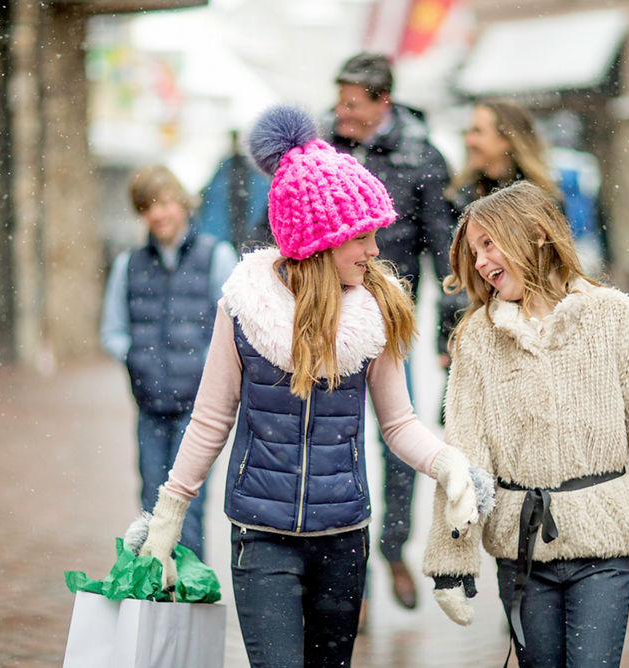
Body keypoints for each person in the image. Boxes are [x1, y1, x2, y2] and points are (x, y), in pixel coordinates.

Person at [135, 105, 479, 668]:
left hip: (344, 538)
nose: (375, 251)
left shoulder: (376, 313)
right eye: (362, 239)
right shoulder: (245, 309)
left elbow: (397, 423)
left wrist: (447, 465)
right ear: (320, 242)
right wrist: (169, 512)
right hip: (261, 534)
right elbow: (212, 417)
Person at [422, 181, 629, 667]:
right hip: (522, 551)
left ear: (533, 234)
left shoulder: (617, 319)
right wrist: (452, 561)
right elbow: (464, 459)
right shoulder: (476, 338)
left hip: (604, 546)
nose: (482, 262)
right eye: (474, 251)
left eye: (490, 244)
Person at [325, 51, 459, 613]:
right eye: (339, 101)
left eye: (352, 104)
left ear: (383, 102)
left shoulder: (422, 158)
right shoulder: (322, 152)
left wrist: (447, 334)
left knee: (397, 437)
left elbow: (445, 252)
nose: (341, 113)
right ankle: (342, 567)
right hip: (327, 319)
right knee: (334, 437)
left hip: (390, 322)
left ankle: (392, 548)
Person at [100, 165, 236, 562]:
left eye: (162, 203)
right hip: (149, 405)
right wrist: (136, 359)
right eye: (146, 207)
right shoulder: (129, 265)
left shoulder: (217, 256)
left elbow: (232, 328)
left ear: (182, 201)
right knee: (150, 501)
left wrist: (208, 372)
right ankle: (158, 592)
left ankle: (190, 594)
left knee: (187, 506)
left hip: (199, 411)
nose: (157, 214)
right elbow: (112, 331)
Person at [447, 98, 607, 276]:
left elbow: (555, 268)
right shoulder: (460, 196)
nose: (468, 140)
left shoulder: (540, 199)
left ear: (506, 139)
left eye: (478, 132)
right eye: (468, 132)